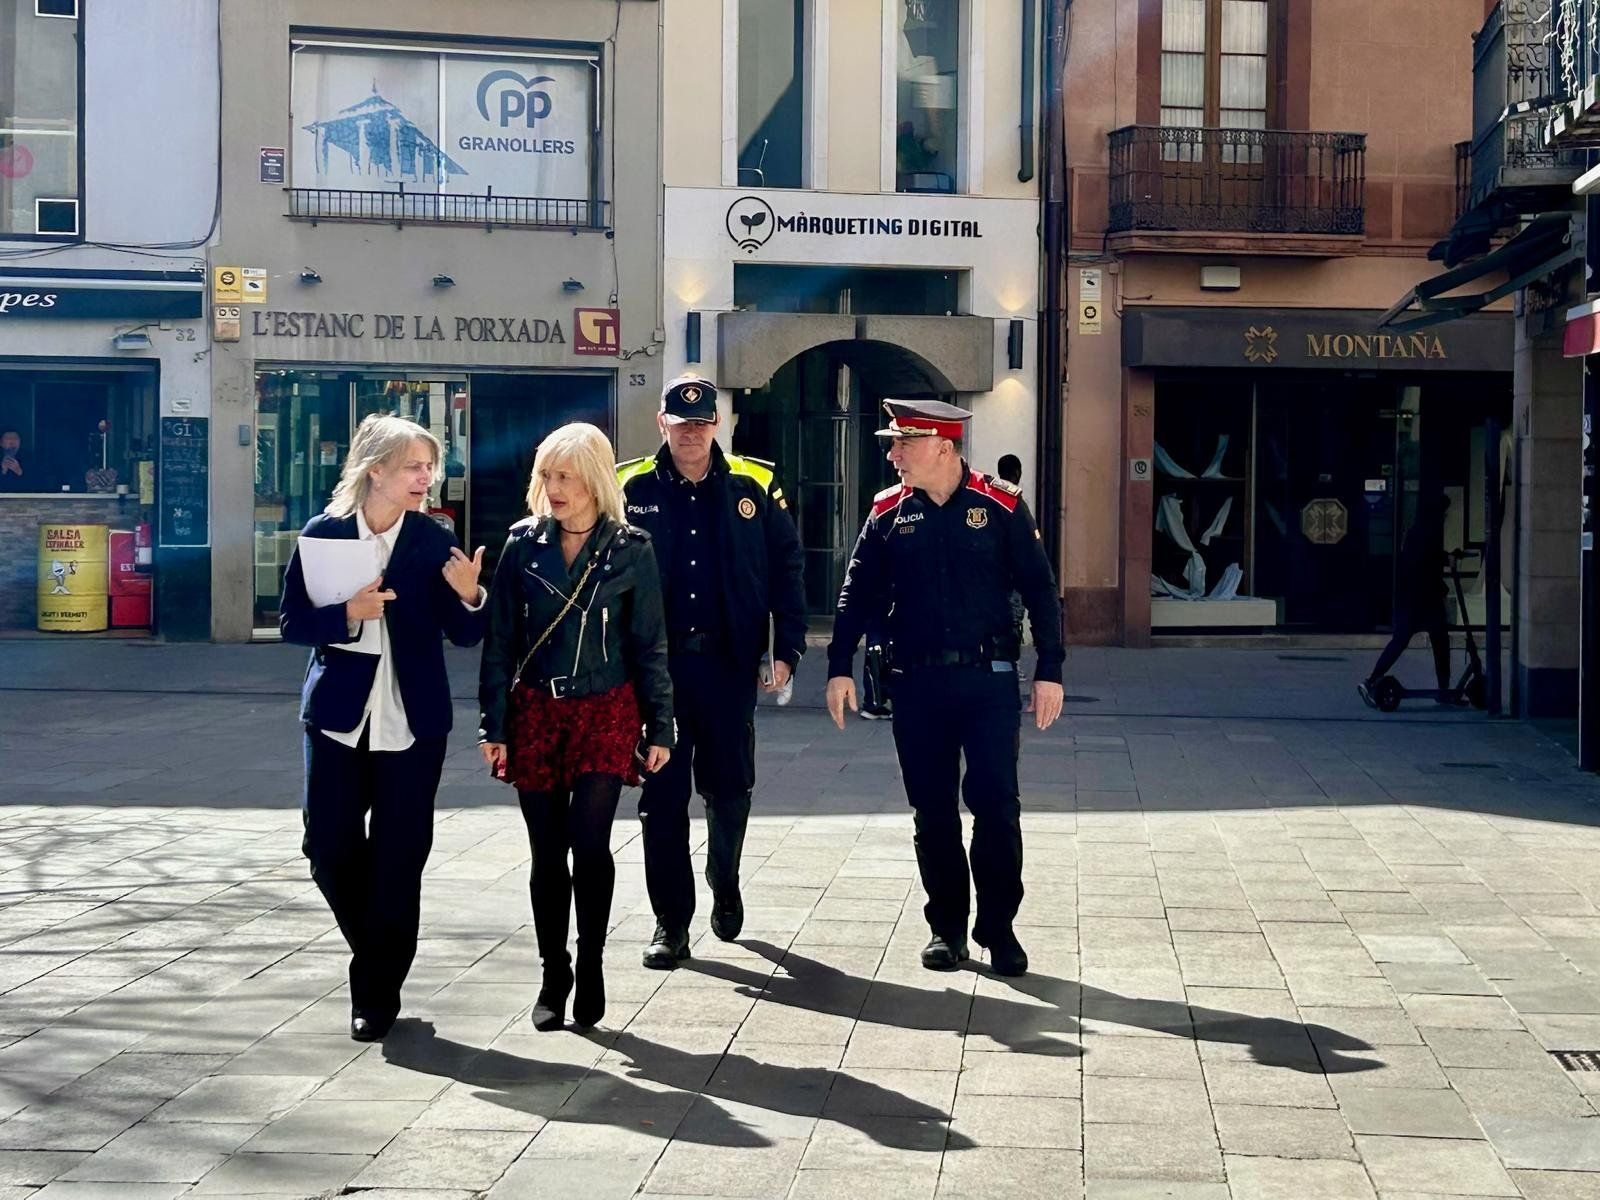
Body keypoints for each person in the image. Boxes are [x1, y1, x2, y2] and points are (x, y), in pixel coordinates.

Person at [826, 399, 1065, 977]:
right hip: (917, 684)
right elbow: (855, 595)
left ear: (943, 446)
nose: (892, 454)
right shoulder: (887, 512)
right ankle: (947, 930)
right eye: (893, 442)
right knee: (932, 813)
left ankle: (999, 929)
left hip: (988, 681)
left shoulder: (1001, 506)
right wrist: (837, 665)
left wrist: (1051, 670)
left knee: (997, 808)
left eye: (904, 442)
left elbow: (1040, 589)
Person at [280, 414, 487, 1042]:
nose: (427, 478)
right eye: (413, 468)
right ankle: (377, 949)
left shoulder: (433, 539)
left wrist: (473, 595)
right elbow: (292, 623)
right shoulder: (325, 534)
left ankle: (375, 992)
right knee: (327, 850)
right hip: (338, 719)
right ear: (377, 471)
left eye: (430, 467)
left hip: (413, 724)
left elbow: (467, 633)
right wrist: (347, 614)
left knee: (399, 859)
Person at [479, 422, 674, 1030]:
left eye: (565, 476)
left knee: (588, 844)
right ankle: (552, 969)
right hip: (535, 710)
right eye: (546, 475)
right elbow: (500, 643)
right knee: (545, 852)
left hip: (604, 709)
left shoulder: (631, 549)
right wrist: (494, 725)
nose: (553, 487)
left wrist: (661, 727)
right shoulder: (522, 544)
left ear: (593, 479)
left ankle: (590, 963)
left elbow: (650, 646)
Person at [617, 374, 806, 969]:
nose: (692, 433)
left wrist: (787, 650)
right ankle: (670, 922)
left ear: (716, 425)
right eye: (682, 423)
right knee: (662, 798)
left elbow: (788, 569)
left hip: (727, 667)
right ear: (662, 424)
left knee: (730, 788)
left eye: (702, 423)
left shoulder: (756, 482)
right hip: (656, 672)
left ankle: (724, 881)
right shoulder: (629, 485)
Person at [1360, 493, 1454, 705]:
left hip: (1410, 598)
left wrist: (1444, 557)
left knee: (1400, 641)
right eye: (1444, 513)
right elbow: (1427, 567)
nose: (1445, 517)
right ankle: (1444, 687)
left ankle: (1372, 678)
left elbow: (1425, 558)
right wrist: (1443, 586)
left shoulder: (1416, 532)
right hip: (1424, 600)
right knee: (1440, 641)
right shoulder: (1429, 533)